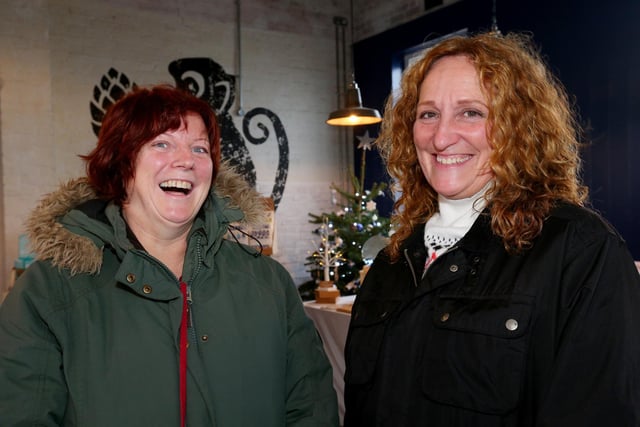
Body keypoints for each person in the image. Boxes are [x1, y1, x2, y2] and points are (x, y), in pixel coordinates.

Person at [344, 32, 640, 426]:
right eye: (428, 114)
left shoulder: (580, 253)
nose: (442, 137)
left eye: (471, 112)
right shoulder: (393, 261)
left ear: (519, 126)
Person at [0, 84, 338, 426]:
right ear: (122, 164)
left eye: (199, 148)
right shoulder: (47, 292)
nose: (185, 160)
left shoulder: (269, 283)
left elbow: (311, 407)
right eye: (161, 144)